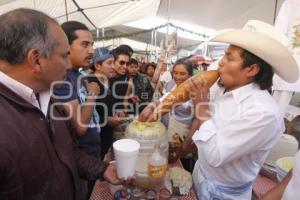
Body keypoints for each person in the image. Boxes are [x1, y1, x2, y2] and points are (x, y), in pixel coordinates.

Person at [140, 20, 298, 200]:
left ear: (252, 69)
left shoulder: (263, 113)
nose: (220, 63)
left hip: (223, 194)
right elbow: (184, 93)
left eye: (229, 58)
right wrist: (157, 104)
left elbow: (215, 155)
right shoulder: (221, 87)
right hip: (199, 176)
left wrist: (202, 110)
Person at [0, 8, 121, 200]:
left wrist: (103, 169)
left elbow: (68, 151)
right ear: (36, 59)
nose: (68, 65)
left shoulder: (48, 96)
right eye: (64, 56)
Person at [54, 21, 102, 160]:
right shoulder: (62, 79)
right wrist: (92, 94)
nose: (92, 51)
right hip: (81, 157)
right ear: (65, 46)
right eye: (85, 44)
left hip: (93, 150)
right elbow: (80, 128)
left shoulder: (80, 76)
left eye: (92, 45)